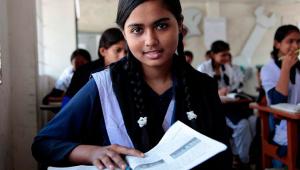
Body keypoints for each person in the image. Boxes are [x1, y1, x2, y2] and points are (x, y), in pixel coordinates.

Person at [32, 0, 231, 169]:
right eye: (137, 30)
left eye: (161, 26)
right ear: (124, 34)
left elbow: (222, 157)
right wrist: (93, 152)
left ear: (179, 25)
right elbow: (44, 144)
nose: (150, 40)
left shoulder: (203, 86)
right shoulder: (104, 85)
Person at [197, 40, 257, 168]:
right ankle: (242, 159)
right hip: (215, 108)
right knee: (242, 125)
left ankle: (245, 155)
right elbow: (200, 92)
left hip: (231, 104)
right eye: (223, 55)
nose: (226, 58)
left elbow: (235, 83)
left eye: (227, 54)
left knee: (253, 120)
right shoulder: (203, 68)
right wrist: (217, 92)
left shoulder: (227, 67)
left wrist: (229, 90)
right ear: (213, 54)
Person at [260, 24, 300, 168]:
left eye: (298, 41)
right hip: (285, 124)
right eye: (290, 41)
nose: (295, 46)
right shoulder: (268, 69)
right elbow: (277, 102)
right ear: (277, 44)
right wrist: (285, 68)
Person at [61, 28, 127, 106]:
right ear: (103, 51)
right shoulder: (83, 72)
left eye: (126, 51)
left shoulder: (131, 71)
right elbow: (68, 100)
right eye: (118, 50)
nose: (124, 56)